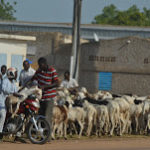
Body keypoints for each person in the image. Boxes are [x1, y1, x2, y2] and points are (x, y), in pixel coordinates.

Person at [31, 57, 59, 140]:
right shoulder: (39, 71)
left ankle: (48, 136)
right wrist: (24, 87)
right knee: (40, 116)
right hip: (41, 97)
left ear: (44, 64)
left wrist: (45, 86)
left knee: (47, 117)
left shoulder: (52, 70)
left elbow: (57, 83)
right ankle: (42, 135)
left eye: (40, 65)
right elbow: (32, 79)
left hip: (49, 98)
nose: (39, 67)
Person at [0, 67, 18, 141]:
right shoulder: (5, 80)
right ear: (11, 73)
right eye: (15, 73)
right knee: (3, 115)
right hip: (2, 101)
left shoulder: (14, 83)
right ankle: (0, 132)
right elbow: (4, 89)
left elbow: (16, 92)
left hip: (10, 102)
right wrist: (12, 92)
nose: (16, 75)